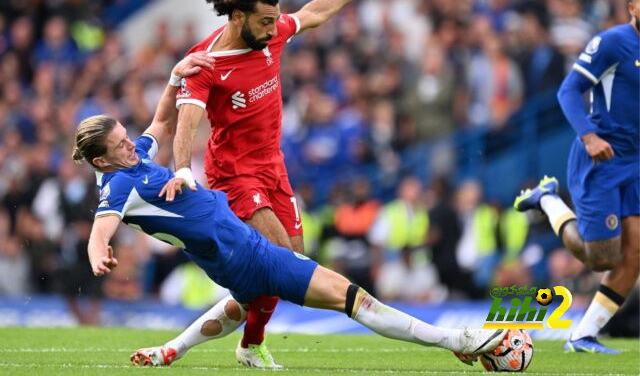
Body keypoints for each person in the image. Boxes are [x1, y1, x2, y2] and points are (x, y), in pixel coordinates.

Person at [72, 70, 507, 369]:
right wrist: (98, 254)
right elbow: (100, 230)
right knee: (353, 297)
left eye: (127, 138)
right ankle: (457, 340)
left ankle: (172, 350)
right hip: (247, 251)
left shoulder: (133, 163)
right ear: (99, 159)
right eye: (121, 145)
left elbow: (162, 121)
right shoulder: (117, 188)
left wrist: (174, 78)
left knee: (245, 305)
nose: (131, 145)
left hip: (229, 253)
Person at [161, 0, 374, 367]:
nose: (272, 28)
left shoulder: (271, 32)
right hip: (234, 173)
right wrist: (183, 169)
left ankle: (249, 341)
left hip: (273, 167)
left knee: (293, 257)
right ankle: (246, 338)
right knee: (280, 258)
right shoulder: (205, 63)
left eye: (275, 19)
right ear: (237, 16)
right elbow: (186, 121)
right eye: (264, 21)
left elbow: (311, 14)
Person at [514, 0, 639, 354]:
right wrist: (588, 136)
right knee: (599, 257)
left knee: (634, 255)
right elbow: (568, 90)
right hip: (602, 157)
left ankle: (582, 336)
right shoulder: (613, 43)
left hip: (637, 163)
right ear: (632, 7)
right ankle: (548, 200)